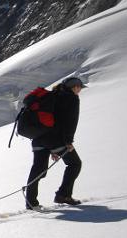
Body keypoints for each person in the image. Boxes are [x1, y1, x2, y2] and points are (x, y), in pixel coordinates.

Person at [25, 77, 86, 211]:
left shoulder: (52, 95)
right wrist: (68, 142)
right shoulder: (71, 99)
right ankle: (63, 195)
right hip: (55, 140)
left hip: (38, 137)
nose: (80, 90)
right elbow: (70, 123)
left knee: (38, 168)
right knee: (75, 164)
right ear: (74, 87)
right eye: (80, 87)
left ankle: (31, 202)